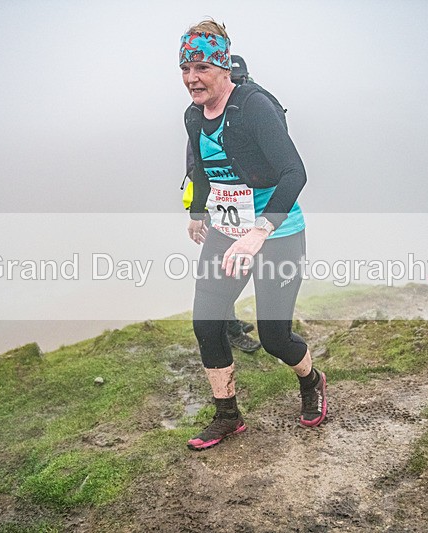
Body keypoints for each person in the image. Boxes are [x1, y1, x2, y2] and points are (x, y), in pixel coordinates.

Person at [179, 19, 327, 451]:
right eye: (185, 69)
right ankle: (228, 416)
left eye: (202, 67)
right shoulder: (193, 115)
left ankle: (312, 381)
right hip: (227, 232)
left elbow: (294, 173)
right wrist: (197, 211)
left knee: (274, 336)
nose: (192, 78)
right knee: (207, 322)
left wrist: (261, 231)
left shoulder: (254, 107)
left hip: (277, 234)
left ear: (223, 66)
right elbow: (203, 168)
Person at [182, 54, 261, 355]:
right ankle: (230, 330)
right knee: (225, 274)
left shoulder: (247, 111)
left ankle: (232, 324)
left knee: (235, 271)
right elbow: (196, 166)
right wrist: (199, 211)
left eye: (243, 81)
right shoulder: (202, 117)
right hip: (222, 209)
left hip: (245, 209)